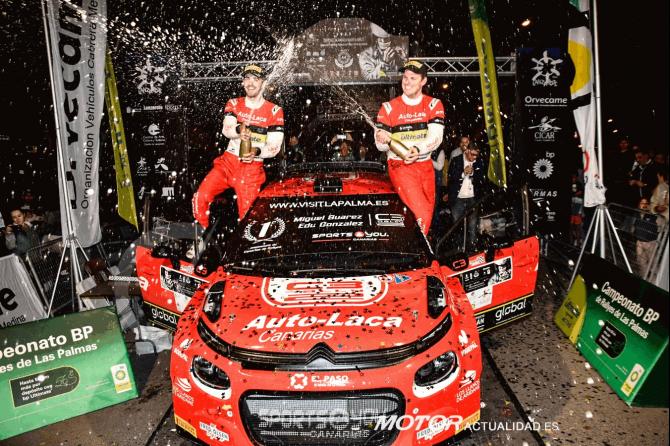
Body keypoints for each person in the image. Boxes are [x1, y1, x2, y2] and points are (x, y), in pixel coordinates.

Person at [192, 64, 284, 228]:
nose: (250, 83)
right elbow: (226, 129)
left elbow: (275, 146)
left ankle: (246, 243)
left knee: (248, 219)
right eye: (247, 78)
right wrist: (238, 129)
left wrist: (256, 151)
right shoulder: (234, 103)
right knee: (200, 197)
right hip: (227, 163)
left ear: (263, 83)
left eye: (255, 79)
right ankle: (201, 236)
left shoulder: (274, 110)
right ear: (242, 82)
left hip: (251, 168)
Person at [374, 59, 445, 234]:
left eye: (413, 78)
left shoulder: (433, 104)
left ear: (423, 81)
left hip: (425, 165)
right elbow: (380, 146)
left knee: (426, 214)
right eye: (405, 78)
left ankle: (410, 246)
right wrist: (382, 140)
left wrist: (418, 149)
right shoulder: (388, 108)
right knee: (421, 213)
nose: (407, 82)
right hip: (400, 166)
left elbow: (436, 136)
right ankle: (417, 248)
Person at [448, 144, 487, 248]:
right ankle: (458, 248)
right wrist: (463, 173)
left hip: (473, 198)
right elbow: (451, 177)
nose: (475, 157)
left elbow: (482, 178)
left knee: (473, 225)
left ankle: (473, 247)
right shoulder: (456, 160)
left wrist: (473, 173)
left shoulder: (478, 161)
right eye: (473, 154)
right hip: (458, 198)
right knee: (456, 225)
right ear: (467, 151)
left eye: (476, 155)